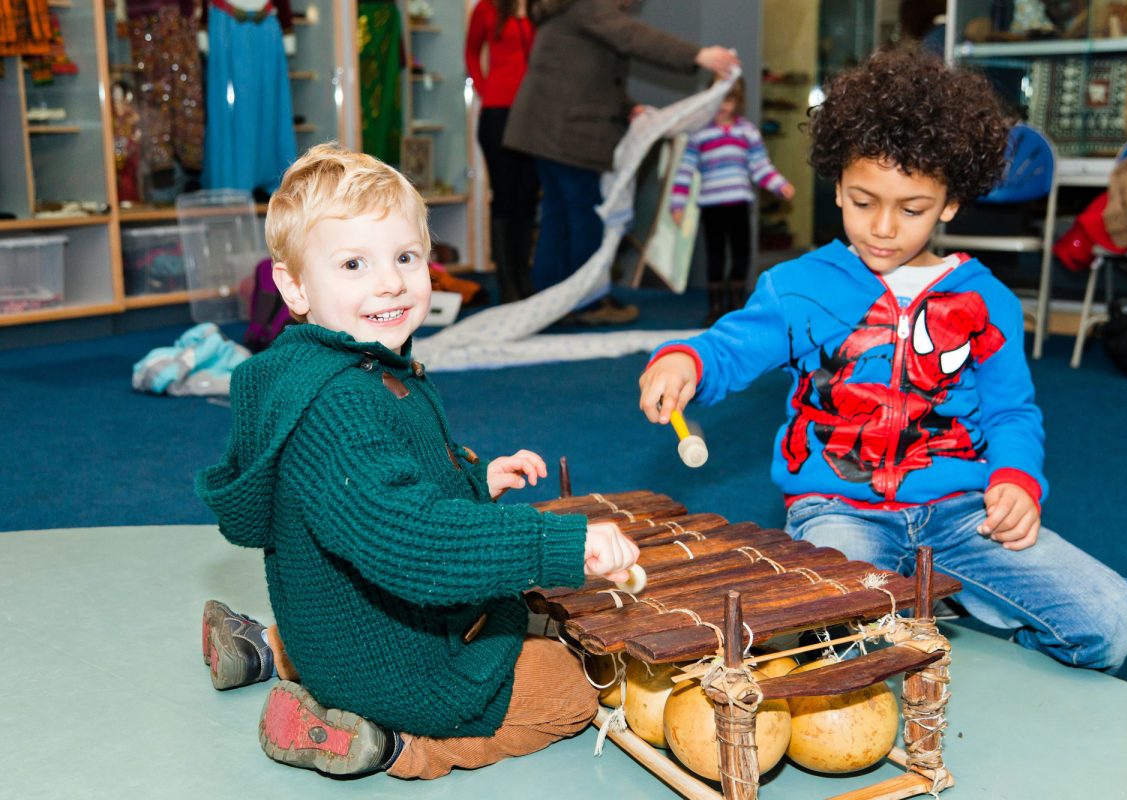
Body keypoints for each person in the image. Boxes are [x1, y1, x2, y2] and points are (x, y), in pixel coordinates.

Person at [637, 51, 1127, 673]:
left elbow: (1013, 410)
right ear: (837, 185)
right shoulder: (799, 285)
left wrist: (1016, 479)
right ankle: (906, 609)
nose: (882, 228)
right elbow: (731, 347)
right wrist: (686, 360)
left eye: (911, 209)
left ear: (951, 203)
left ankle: (947, 604)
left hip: (962, 512)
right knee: (840, 646)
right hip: (839, 508)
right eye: (862, 201)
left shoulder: (989, 301)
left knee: (1112, 622)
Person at [195, 143, 640, 779]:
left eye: (405, 256)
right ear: (292, 286)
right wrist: (559, 544)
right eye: (354, 263)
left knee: (506, 600)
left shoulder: (356, 368)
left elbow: (393, 491)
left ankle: (269, 654)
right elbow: (414, 539)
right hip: (394, 664)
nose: (390, 282)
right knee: (569, 685)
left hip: (338, 628)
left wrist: (473, 481)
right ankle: (391, 744)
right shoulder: (340, 404)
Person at [504, 0, 740, 325]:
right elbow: (633, 37)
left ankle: (553, 302)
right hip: (565, 132)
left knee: (559, 216)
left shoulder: (569, 9)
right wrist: (699, 56)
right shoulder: (588, 6)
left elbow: (584, 74)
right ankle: (588, 303)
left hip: (547, 129)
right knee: (583, 216)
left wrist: (627, 106)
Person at [669, 76, 795, 326]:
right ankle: (715, 305)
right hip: (712, 204)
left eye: (730, 100)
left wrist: (779, 184)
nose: (724, 106)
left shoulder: (746, 131)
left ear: (738, 102)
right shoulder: (700, 134)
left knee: (741, 254)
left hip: (738, 202)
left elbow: (759, 166)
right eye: (719, 100)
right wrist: (677, 203)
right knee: (715, 255)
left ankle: (737, 303)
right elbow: (685, 170)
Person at [466, 0, 540, 304]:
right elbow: (471, 52)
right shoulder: (487, 7)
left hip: (534, 113)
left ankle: (524, 278)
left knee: (528, 197)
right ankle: (507, 282)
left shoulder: (541, 9)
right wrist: (486, 88)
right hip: (499, 113)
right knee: (506, 196)